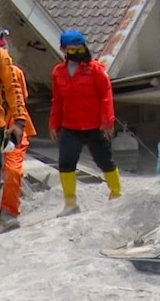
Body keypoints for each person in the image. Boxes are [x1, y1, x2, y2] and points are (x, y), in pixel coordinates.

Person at [49, 29, 121, 218]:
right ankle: (70, 203)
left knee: (104, 160)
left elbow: (106, 95)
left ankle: (116, 194)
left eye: (78, 48)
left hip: (95, 125)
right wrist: (53, 125)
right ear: (64, 50)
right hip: (70, 126)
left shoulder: (96, 69)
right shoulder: (58, 72)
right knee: (66, 162)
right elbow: (57, 100)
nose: (75, 52)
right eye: (70, 49)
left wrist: (108, 121)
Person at [0, 32, 36, 234]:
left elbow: (17, 96)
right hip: (0, 125)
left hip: (2, 127)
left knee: (8, 172)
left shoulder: (5, 65)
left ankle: (3, 216)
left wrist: (19, 123)